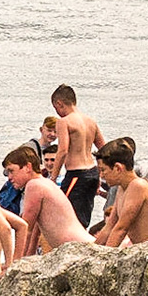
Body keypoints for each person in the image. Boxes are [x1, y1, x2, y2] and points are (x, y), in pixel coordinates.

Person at [5, 147, 92, 258]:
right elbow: (35, 232)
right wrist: (27, 259)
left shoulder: (34, 185)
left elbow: (25, 229)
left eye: (11, 171)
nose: (9, 178)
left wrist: (14, 264)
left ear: (28, 167)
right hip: (81, 246)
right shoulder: (45, 183)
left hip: (78, 249)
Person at [94, 139, 148, 247]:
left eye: (103, 170)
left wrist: (103, 258)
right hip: (141, 248)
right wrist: (93, 250)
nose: (101, 176)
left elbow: (121, 229)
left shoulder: (138, 186)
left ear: (118, 168)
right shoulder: (121, 188)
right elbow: (109, 227)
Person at [51, 84, 105, 225]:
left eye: (56, 108)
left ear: (59, 103)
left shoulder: (64, 122)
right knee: (84, 214)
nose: (57, 112)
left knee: (67, 215)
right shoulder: (90, 121)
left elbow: (63, 151)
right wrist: (100, 174)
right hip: (92, 172)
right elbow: (104, 150)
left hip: (76, 174)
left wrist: (53, 177)